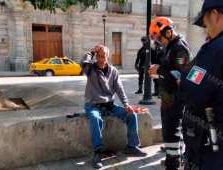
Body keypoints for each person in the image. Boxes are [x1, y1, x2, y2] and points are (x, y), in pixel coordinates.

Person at [81, 44, 146, 169]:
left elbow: (119, 89)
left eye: (103, 56)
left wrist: (126, 105)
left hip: (109, 105)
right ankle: (98, 152)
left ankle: (132, 146)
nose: (101, 59)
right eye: (99, 56)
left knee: (132, 115)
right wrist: (91, 51)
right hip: (93, 105)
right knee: (95, 119)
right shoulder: (90, 69)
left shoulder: (113, 71)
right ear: (96, 57)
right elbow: (83, 62)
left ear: (107, 57)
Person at [179, 0, 223, 169]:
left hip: (211, 147)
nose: (205, 28)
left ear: (214, 15)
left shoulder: (213, 50)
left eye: (204, 22)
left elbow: (193, 90)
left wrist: (181, 80)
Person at [148, 17, 191, 170]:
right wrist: (158, 71)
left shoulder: (180, 48)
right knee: (169, 129)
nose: (158, 41)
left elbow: (181, 74)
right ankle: (174, 159)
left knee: (172, 130)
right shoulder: (170, 47)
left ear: (168, 31)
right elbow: (168, 68)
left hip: (175, 97)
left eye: (159, 37)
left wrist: (159, 70)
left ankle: (173, 164)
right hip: (167, 96)